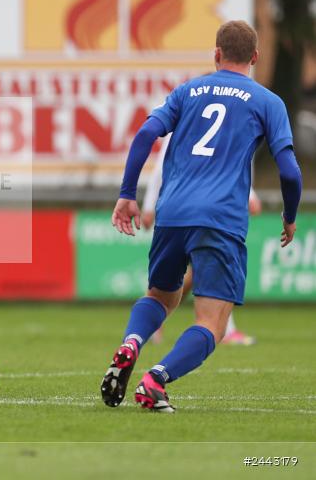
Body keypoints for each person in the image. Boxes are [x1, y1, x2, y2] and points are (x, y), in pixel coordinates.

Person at [101, 20, 302, 413]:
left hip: (172, 212)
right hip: (221, 217)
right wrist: (290, 216)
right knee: (213, 323)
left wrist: (127, 195)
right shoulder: (267, 101)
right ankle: (155, 379)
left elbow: (145, 136)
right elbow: (291, 171)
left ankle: (132, 343)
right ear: (255, 58)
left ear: (216, 54)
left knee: (160, 295)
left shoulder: (187, 91)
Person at [141, 134, 261, 346]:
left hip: (203, 206)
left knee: (193, 273)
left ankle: (152, 321)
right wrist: (149, 205)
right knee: (203, 269)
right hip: (194, 208)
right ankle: (222, 329)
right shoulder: (186, 116)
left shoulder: (225, 116)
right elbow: (162, 165)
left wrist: (249, 194)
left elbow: (225, 162)